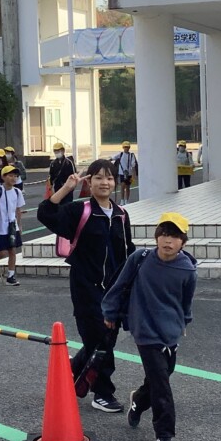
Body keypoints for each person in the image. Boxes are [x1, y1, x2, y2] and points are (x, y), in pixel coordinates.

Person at [38, 159, 135, 413]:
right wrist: (66, 188)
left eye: (109, 178)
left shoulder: (121, 214)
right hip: (86, 287)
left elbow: (128, 251)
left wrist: (132, 282)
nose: (105, 183)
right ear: (89, 182)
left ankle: (72, 369)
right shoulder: (79, 211)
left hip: (114, 289)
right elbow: (45, 213)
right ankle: (103, 392)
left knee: (106, 339)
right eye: (99, 178)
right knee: (98, 338)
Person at [102, 212, 196, 441]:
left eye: (174, 236)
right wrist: (109, 312)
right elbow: (119, 285)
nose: (168, 240)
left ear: (183, 242)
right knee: (161, 383)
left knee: (161, 375)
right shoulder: (140, 258)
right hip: (144, 328)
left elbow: (185, 301)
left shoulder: (187, 270)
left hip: (171, 330)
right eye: (163, 234)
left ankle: (139, 400)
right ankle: (164, 434)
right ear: (156, 237)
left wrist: (184, 321)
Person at [0, 165, 25, 285]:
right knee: (3, 252)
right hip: (0, 227)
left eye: (15, 176)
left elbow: (18, 210)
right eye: (10, 176)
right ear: (3, 177)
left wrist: (19, 225)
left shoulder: (17, 192)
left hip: (12, 226)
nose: (13, 178)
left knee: (13, 251)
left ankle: (11, 276)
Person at [111, 141, 138, 206]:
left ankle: (127, 200)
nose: (126, 148)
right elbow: (112, 158)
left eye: (127, 147)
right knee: (122, 186)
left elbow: (133, 165)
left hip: (129, 174)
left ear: (129, 147)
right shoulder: (120, 154)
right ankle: (122, 200)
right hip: (122, 173)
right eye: (125, 147)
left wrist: (133, 175)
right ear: (123, 147)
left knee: (128, 187)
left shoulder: (131, 155)